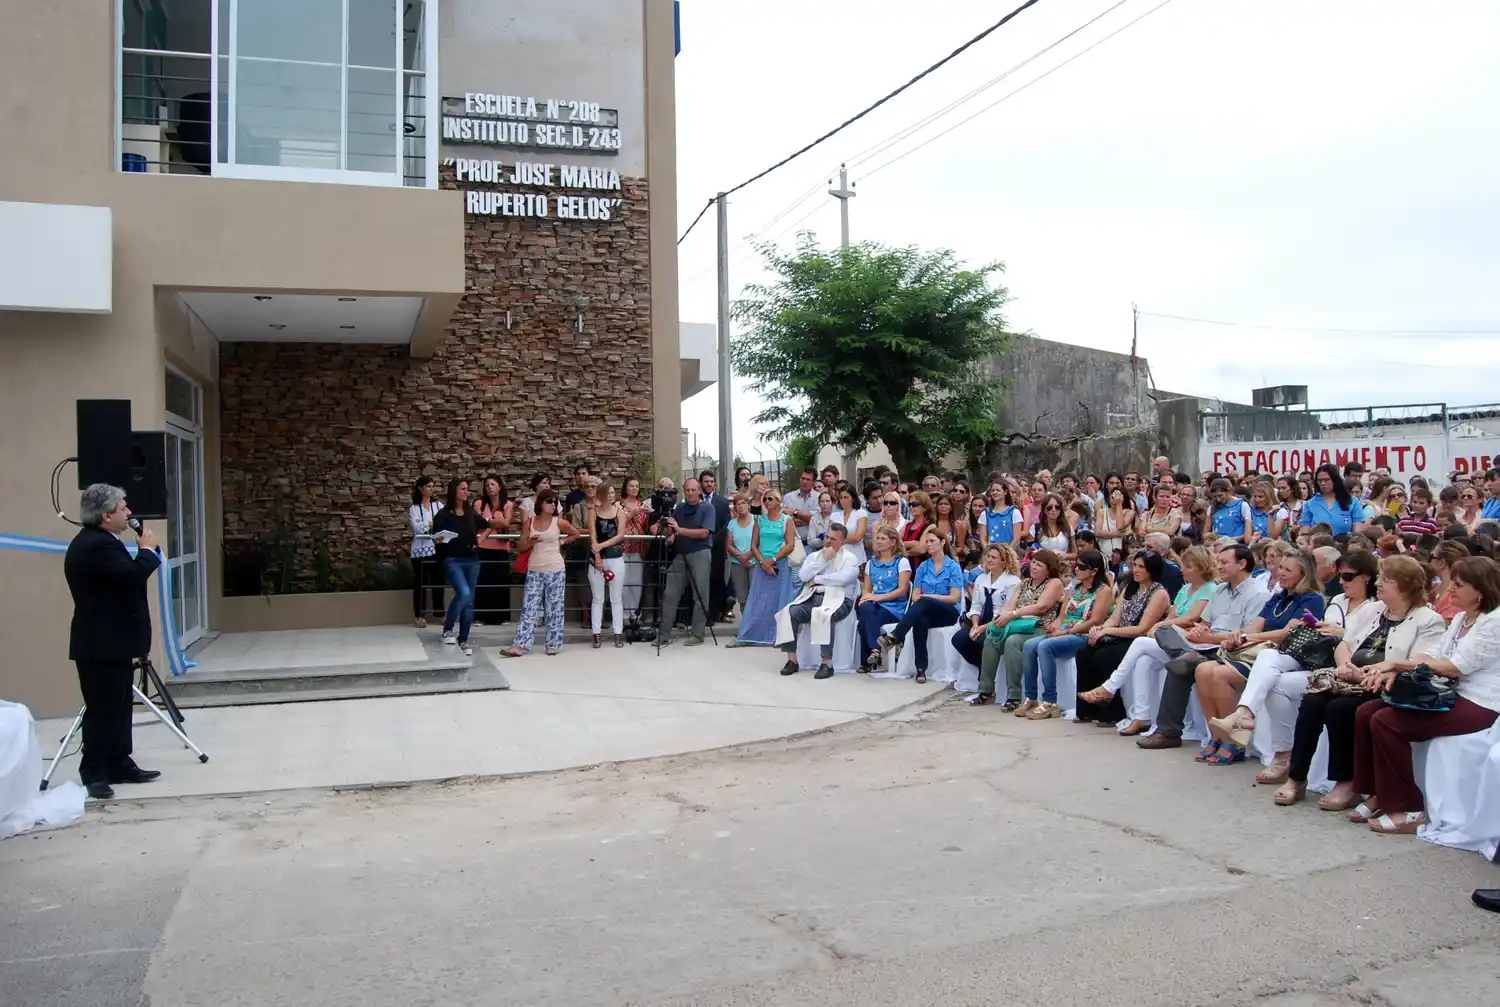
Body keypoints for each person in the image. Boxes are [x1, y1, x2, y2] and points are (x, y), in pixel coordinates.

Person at [1275, 554, 1448, 806]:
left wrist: (1365, 674)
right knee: (1313, 701)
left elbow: (1417, 662)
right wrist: (1346, 665)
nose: (1378, 583)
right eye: (1379, 578)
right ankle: (1296, 777)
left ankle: (1347, 783)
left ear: (1406, 584)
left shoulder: (1428, 619)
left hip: (1385, 684)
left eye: (1386, 579)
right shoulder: (1373, 609)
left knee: (1339, 708)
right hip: (1349, 678)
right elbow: (1343, 644)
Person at [1346, 557, 1500, 833]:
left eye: (1459, 585)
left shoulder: (1494, 621)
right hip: (1451, 693)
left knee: (1386, 720)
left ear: (1480, 591)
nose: (1450, 590)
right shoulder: (1463, 618)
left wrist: (1396, 664)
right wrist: (1400, 670)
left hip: (1481, 702)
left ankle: (1408, 808)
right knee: (1366, 711)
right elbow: (1435, 654)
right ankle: (1375, 793)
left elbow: (1455, 666)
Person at [1213, 550, 1376, 784]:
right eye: (1341, 576)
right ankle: (1256, 727)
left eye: (1348, 577)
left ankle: (1250, 725)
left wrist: (1343, 634)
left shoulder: (1372, 606)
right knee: (1272, 667)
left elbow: (1366, 642)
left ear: (1367, 577)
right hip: (1315, 659)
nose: (1341, 582)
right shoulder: (1336, 600)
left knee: (1270, 670)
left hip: (1339, 667)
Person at [64, 483, 163, 800]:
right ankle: (93, 771)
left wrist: (146, 552)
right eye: (123, 508)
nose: (129, 512)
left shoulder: (104, 542)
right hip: (100, 642)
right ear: (106, 515)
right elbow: (129, 577)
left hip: (114, 641)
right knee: (103, 708)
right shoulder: (97, 546)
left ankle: (120, 762)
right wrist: (146, 552)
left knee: (120, 706)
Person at [1190, 551, 1326, 765]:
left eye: (1288, 569)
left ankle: (1233, 742)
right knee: (1202, 670)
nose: (1280, 572)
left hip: (1284, 657)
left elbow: (1288, 635)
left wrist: (1248, 636)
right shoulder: (1278, 597)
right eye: (1281, 567)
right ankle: (1216, 736)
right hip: (1258, 651)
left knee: (1218, 674)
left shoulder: (1312, 599)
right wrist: (1239, 635)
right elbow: (1257, 625)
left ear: (1304, 573)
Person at [1137, 544, 1273, 751]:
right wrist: (1198, 632)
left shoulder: (1258, 594)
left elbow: (1247, 636)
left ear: (1242, 564)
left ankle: (1170, 732)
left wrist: (1207, 638)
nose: (1218, 566)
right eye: (1218, 562)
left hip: (1231, 649)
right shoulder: (1220, 590)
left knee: (1180, 666)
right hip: (1205, 645)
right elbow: (1205, 623)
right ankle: (1172, 732)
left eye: (1224, 562)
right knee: (1166, 634)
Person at [1081, 545, 1216, 735]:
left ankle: (1109, 688)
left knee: (1139, 643)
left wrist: (1160, 626)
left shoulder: (1209, 589)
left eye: (1188, 566)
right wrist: (1163, 627)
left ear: (1202, 568)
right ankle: (1142, 716)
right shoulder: (1185, 589)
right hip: (1173, 637)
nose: (1183, 569)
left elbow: (1191, 618)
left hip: (1190, 640)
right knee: (1143, 661)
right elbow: (1172, 615)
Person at [1073, 550, 1172, 725]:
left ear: (1152, 570)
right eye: (1135, 565)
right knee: (1084, 653)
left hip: (1137, 639)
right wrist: (1100, 628)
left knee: (1105, 656)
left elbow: (1142, 628)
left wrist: (1109, 632)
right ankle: (1086, 710)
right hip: (1120, 633)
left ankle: (1112, 711)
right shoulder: (1129, 587)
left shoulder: (1159, 593)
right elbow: (1114, 618)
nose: (1136, 570)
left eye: (1141, 566)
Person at [1018, 549, 1114, 719]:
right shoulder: (1073, 589)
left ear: (1094, 571)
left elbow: (1095, 620)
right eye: (1076, 565)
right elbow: (1062, 616)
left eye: (1082, 567)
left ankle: (1050, 701)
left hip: (1083, 634)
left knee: (1045, 647)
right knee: (1029, 645)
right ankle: (1031, 696)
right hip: (1066, 631)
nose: (1077, 569)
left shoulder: (1103, 591)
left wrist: (1066, 632)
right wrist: (1054, 628)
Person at [973, 550, 1066, 708]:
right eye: (1033, 562)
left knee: (1012, 642)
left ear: (1049, 569)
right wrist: (1001, 618)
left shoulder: (1054, 583)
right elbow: (1008, 607)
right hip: (1016, 624)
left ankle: (1014, 695)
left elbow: (1041, 607)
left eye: (1039, 564)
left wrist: (1014, 613)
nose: (1034, 567)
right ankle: (986, 690)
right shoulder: (1023, 583)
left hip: (1039, 627)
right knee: (991, 639)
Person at [500, 489, 583, 658]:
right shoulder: (529, 522)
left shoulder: (558, 522)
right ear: (541, 503)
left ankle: (553, 643)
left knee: (554, 607)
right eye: (549, 501)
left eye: (555, 502)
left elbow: (576, 533)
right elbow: (520, 546)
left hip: (555, 568)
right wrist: (530, 541)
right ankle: (520, 645)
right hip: (535, 569)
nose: (553, 505)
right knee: (529, 608)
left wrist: (562, 541)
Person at [879, 527, 966, 683]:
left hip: (948, 612)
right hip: (927, 610)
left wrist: (930, 597)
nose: (928, 544)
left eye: (932, 541)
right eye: (927, 542)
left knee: (924, 602)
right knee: (921, 619)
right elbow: (915, 595)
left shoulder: (953, 567)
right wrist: (923, 598)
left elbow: (954, 598)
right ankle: (921, 669)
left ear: (943, 542)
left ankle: (896, 636)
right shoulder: (923, 567)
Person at [775, 524, 860, 679]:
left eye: (833, 539)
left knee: (824, 614)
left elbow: (844, 578)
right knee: (789, 612)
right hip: (813, 598)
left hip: (840, 601)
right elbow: (803, 576)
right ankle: (792, 661)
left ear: (843, 542)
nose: (828, 541)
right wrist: (823, 561)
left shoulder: (850, 558)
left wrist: (818, 580)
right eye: (827, 537)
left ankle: (826, 663)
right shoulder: (815, 557)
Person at [653, 477, 717, 648]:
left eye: (693, 490)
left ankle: (698, 633)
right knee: (670, 594)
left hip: (700, 553)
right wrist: (665, 528)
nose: (690, 493)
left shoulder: (707, 508)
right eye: (687, 490)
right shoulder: (680, 508)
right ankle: (664, 634)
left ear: (699, 491)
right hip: (681, 554)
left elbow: (705, 533)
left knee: (700, 596)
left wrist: (680, 530)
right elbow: (670, 531)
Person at [433, 478, 487, 657]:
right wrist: (440, 539)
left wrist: (480, 539)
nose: (466, 492)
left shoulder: (470, 512)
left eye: (467, 489)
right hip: (452, 559)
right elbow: (436, 537)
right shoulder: (443, 514)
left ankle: (463, 639)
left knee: (469, 601)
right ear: (454, 491)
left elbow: (487, 525)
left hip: (472, 559)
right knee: (463, 593)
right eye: (463, 489)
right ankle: (447, 629)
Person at [737, 489, 798, 645]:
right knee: (758, 600)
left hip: (781, 565)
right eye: (765, 499)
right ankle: (751, 635)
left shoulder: (786, 520)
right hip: (761, 565)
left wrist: (772, 560)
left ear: (778, 501)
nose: (767, 502)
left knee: (780, 600)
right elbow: (754, 545)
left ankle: (780, 636)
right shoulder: (760, 520)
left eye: (771, 499)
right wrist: (763, 562)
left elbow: (790, 544)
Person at [952, 543, 1021, 670]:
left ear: (1004, 561)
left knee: (983, 641)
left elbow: (1007, 613)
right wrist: (975, 625)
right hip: (981, 622)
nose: (989, 560)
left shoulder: (1013, 581)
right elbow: (976, 607)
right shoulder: (981, 579)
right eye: (988, 556)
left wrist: (983, 629)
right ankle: (981, 666)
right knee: (959, 639)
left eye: (994, 557)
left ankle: (987, 679)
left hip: (1001, 624)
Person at [856, 525, 913, 670]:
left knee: (864, 622)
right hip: (875, 605)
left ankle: (869, 660)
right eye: (877, 538)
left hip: (895, 607)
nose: (879, 541)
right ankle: (875, 651)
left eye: (883, 538)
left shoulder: (901, 562)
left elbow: (902, 590)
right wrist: (867, 597)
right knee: (865, 608)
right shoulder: (870, 563)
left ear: (893, 542)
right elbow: (867, 590)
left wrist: (878, 598)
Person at [588, 482, 627, 648]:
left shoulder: (620, 513)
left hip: (615, 557)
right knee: (598, 598)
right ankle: (596, 633)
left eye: (613, 492)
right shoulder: (593, 512)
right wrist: (597, 555)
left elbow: (620, 535)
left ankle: (618, 632)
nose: (611, 495)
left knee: (616, 598)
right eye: (608, 492)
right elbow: (593, 535)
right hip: (597, 559)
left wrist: (601, 546)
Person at [475, 474, 514, 626]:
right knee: (483, 581)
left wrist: (487, 521)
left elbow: (506, 522)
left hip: (501, 547)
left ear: (499, 486)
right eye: (487, 485)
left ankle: (502, 617)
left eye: (492, 484)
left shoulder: (507, 504)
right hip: (483, 546)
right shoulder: (479, 503)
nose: (489, 487)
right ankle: (480, 616)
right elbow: (477, 521)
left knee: (500, 580)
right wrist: (494, 522)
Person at [408, 476, 443, 629]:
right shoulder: (414, 508)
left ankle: (439, 612)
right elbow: (417, 529)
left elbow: (443, 523)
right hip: (420, 549)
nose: (431, 489)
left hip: (437, 548)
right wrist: (432, 525)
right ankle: (419, 615)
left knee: (438, 580)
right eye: (428, 486)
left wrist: (430, 525)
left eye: (432, 486)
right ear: (421, 488)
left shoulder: (438, 506)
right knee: (420, 582)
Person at [699, 470, 732, 623]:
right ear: (701, 483)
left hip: (717, 549)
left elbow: (726, 525)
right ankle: (701, 614)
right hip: (698, 547)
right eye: (706, 481)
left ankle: (713, 614)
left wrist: (712, 538)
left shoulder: (722, 502)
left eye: (712, 481)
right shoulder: (694, 499)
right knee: (700, 580)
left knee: (716, 580)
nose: (709, 484)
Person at [620, 476, 651, 622]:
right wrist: (630, 515)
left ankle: (635, 613)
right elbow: (616, 525)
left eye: (636, 486)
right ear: (626, 487)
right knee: (624, 581)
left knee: (636, 581)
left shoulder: (642, 506)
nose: (634, 488)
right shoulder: (619, 505)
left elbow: (646, 527)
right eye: (631, 485)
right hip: (622, 547)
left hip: (638, 547)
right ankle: (625, 614)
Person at [1301, 463, 1362, 537]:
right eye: (1319, 480)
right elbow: (1305, 533)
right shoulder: (1309, 504)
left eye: (1327, 480)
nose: (1323, 483)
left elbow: (1357, 533)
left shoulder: (1352, 501)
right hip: (1318, 547)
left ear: (1335, 480)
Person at [724, 493, 757, 619]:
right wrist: (741, 557)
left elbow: (759, 542)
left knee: (754, 595)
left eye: (743, 503)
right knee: (742, 597)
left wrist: (748, 555)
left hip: (754, 562)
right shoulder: (732, 524)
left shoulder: (757, 520)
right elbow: (729, 545)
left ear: (748, 505)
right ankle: (746, 624)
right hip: (737, 563)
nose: (741, 506)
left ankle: (756, 625)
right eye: (738, 504)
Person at [981, 481, 1024, 547]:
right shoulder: (985, 513)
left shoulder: (1014, 512)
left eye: (998, 490)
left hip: (1009, 553)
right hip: (991, 554)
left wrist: (1007, 554)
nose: (995, 492)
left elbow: (1016, 539)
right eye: (993, 490)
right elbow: (983, 540)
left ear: (1005, 492)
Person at [782, 467, 818, 544]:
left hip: (812, 546)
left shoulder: (819, 498)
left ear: (814, 482)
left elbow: (817, 520)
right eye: (802, 478)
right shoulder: (788, 497)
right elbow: (785, 521)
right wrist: (808, 521)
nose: (804, 482)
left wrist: (794, 512)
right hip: (793, 545)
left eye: (808, 479)